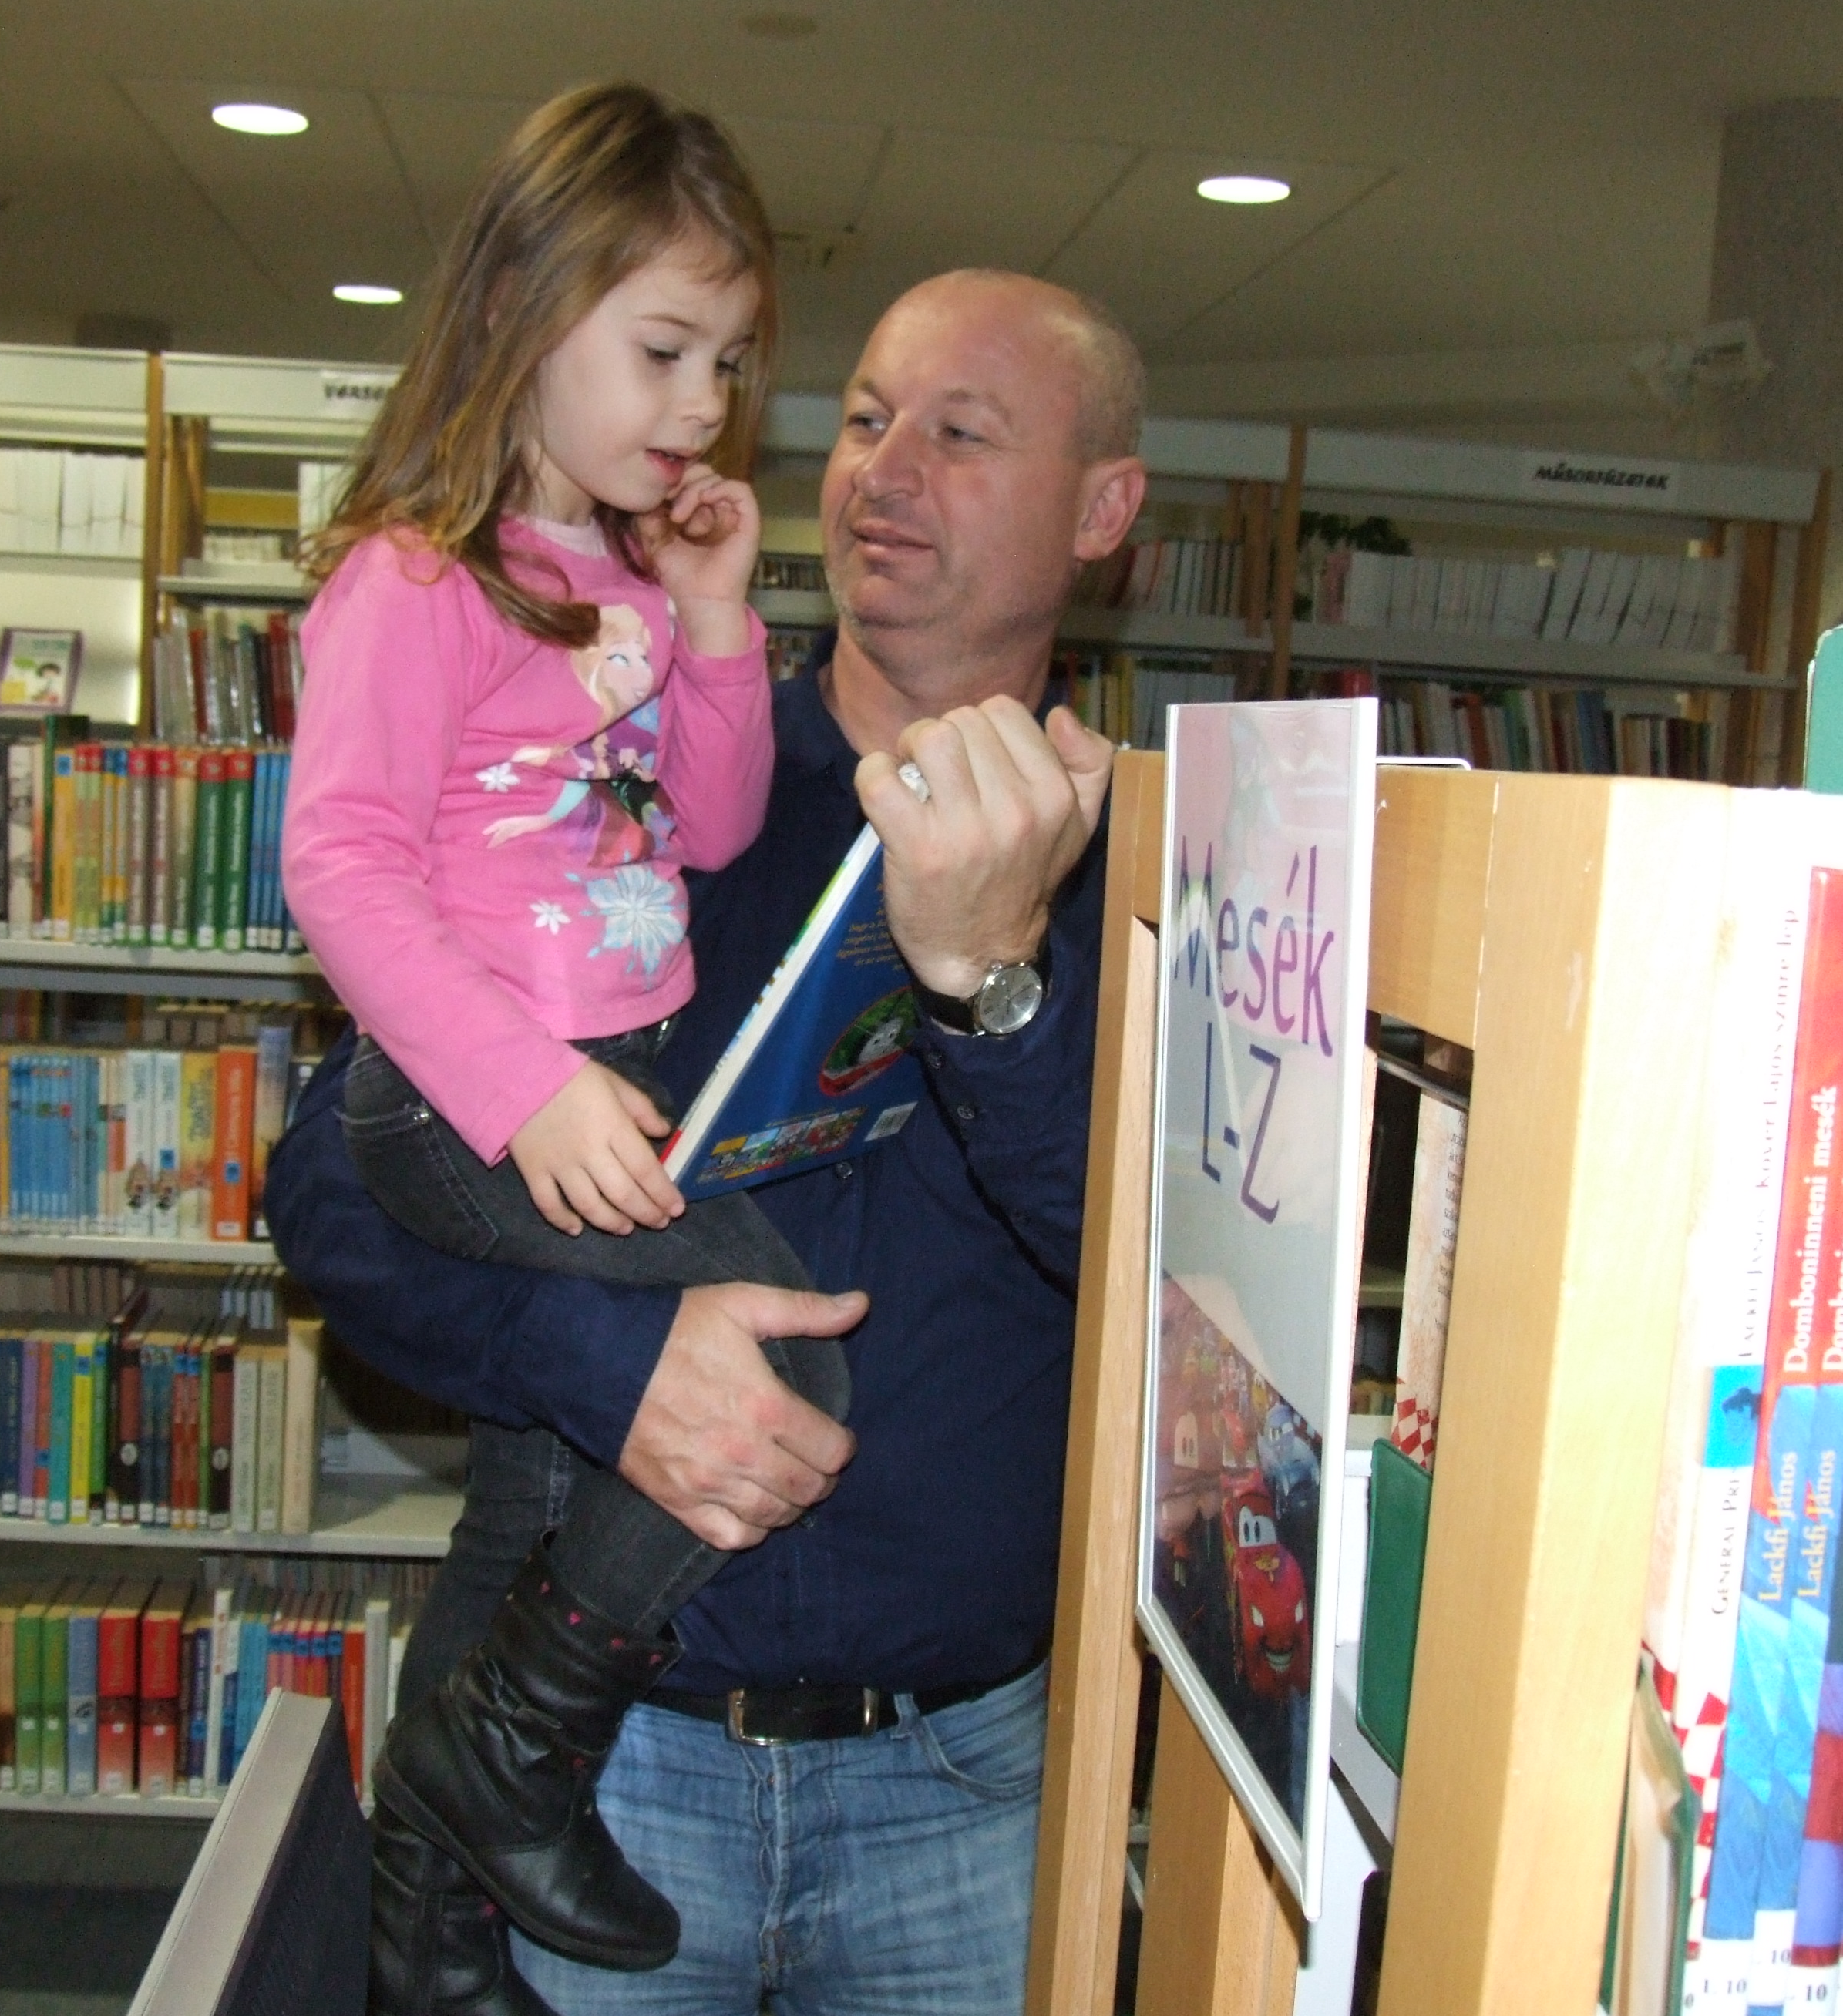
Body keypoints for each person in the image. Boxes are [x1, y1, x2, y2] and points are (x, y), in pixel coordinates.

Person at [270, 264, 1146, 2014]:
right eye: (867, 418)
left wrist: (996, 983)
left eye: (962, 433)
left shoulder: (1155, 866)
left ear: (1103, 512)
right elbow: (330, 1188)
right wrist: (603, 1364)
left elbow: (1152, 1273)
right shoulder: (648, 776)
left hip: (968, 1784)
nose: (883, 469)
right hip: (617, 1771)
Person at [280, 82, 852, 2000]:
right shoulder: (414, 577)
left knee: (536, 1488)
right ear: (526, 311)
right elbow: (338, 866)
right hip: (471, 1100)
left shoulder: (618, 581)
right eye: (664, 350)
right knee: (785, 1352)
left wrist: (713, 622)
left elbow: (710, 829)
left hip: (617, 1076)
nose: (703, 404)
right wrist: (520, 1090)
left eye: (730, 363)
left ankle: (431, 1926)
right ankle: (513, 1753)